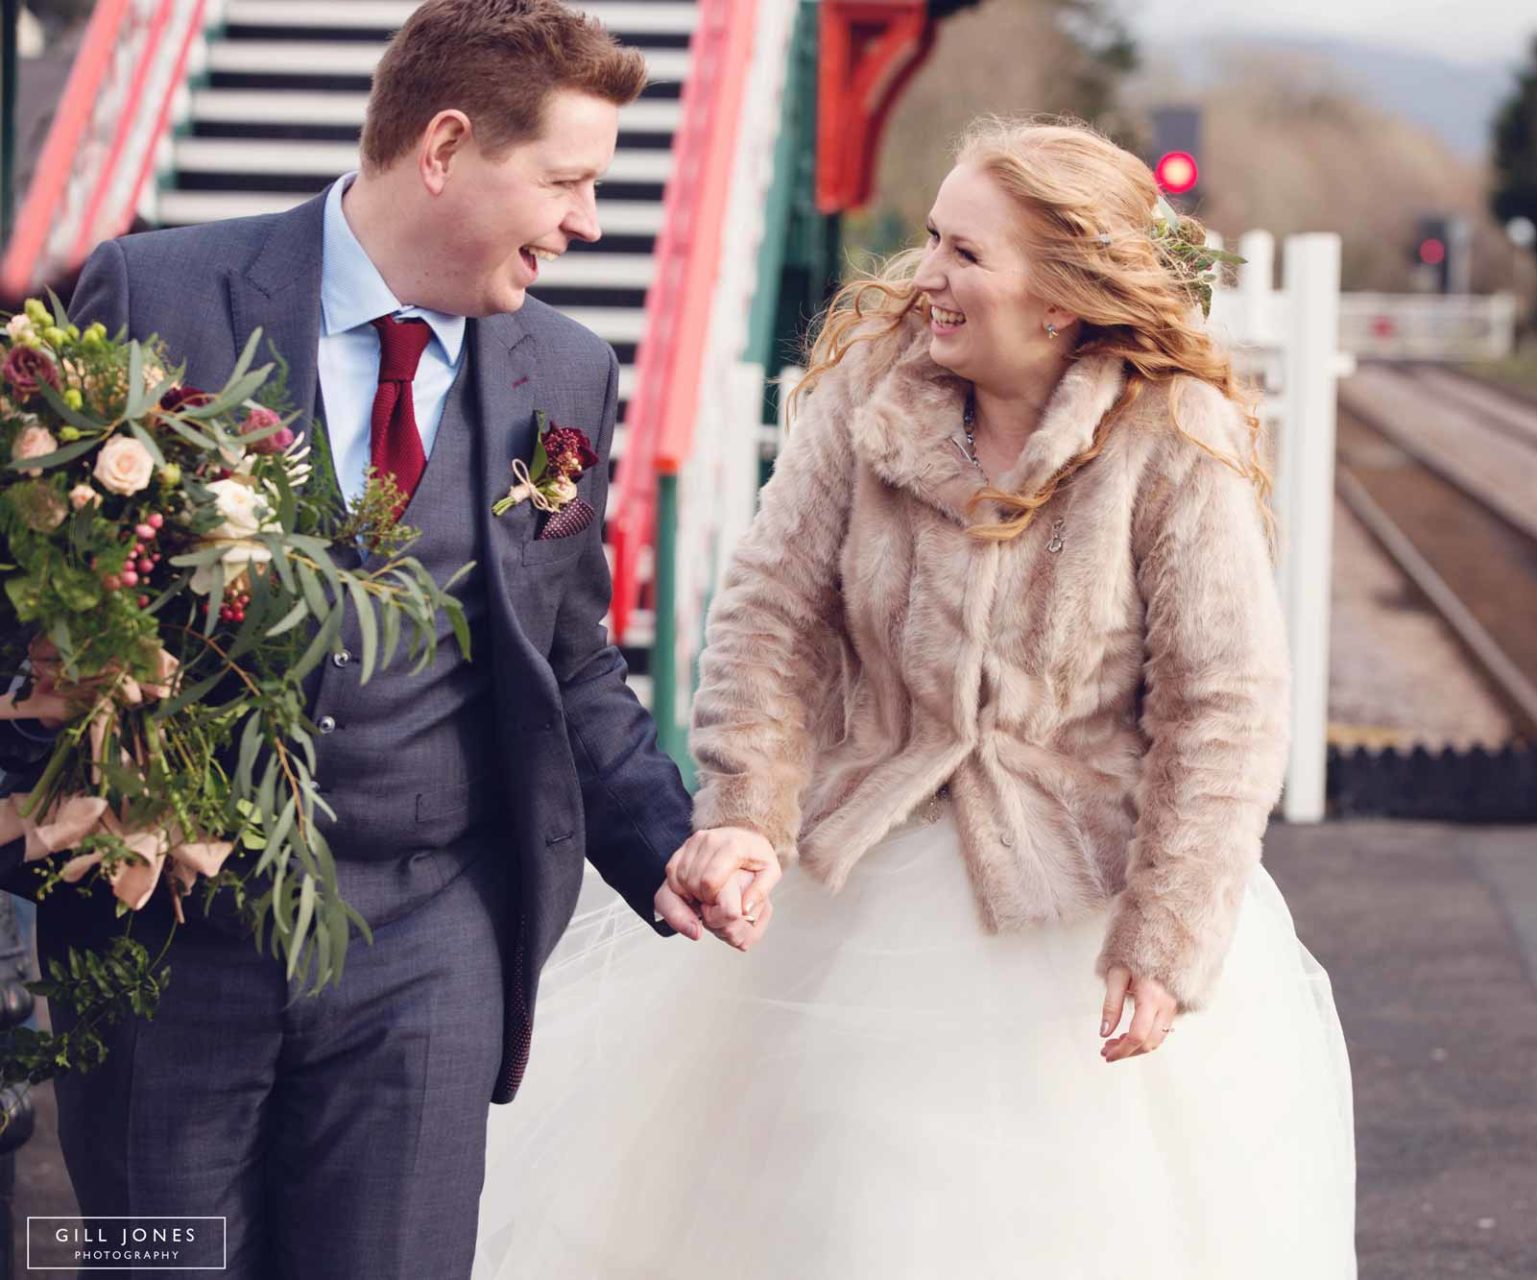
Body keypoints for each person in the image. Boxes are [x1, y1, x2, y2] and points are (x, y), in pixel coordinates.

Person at [475, 116, 1357, 1277]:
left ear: (1059, 298)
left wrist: (1167, 933)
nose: (928, 274)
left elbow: (1226, 707)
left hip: (1084, 910)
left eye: (967, 254)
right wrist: (745, 807)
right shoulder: (863, 397)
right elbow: (770, 612)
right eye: (935, 238)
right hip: (862, 886)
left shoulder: (1169, 438)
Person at [6, 2, 719, 1275]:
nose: (589, 223)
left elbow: (572, 660)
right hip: (174, 947)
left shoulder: (565, 372)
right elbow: (39, 595)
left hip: (428, 944)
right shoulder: (155, 291)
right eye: (566, 180)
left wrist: (666, 845)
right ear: (445, 147)